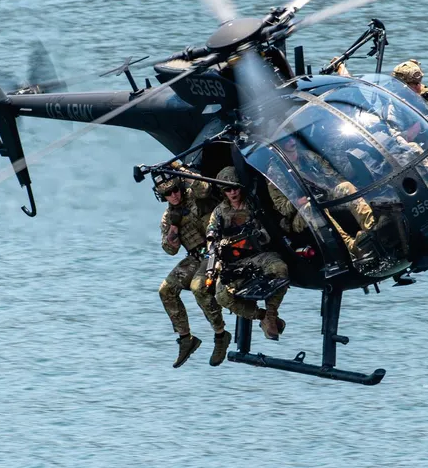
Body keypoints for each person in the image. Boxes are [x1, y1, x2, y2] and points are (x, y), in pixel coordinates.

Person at [157, 166, 231, 368]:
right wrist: (174, 228)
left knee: (200, 288)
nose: (173, 195)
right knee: (166, 290)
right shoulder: (168, 216)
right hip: (194, 257)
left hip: (214, 251)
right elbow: (169, 249)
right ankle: (185, 339)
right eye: (167, 193)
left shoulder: (194, 196)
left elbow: (204, 187)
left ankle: (220, 335)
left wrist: (180, 170)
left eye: (175, 190)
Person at [206, 166, 290, 340]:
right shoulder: (219, 213)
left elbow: (269, 231)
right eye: (228, 189)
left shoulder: (254, 205)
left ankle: (272, 316)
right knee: (222, 296)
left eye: (235, 187)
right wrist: (215, 249)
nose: (233, 192)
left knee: (280, 268)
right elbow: (211, 235)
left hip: (257, 256)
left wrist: (257, 237)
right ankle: (263, 316)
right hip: (234, 263)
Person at [267, 135, 379, 256]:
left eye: (291, 138)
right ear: (278, 145)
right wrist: (299, 201)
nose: (291, 141)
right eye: (285, 140)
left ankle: (373, 230)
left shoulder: (308, 156)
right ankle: (351, 248)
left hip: (324, 196)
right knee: (312, 208)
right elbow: (282, 207)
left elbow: (334, 176)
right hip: (301, 212)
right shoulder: (275, 171)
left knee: (346, 186)